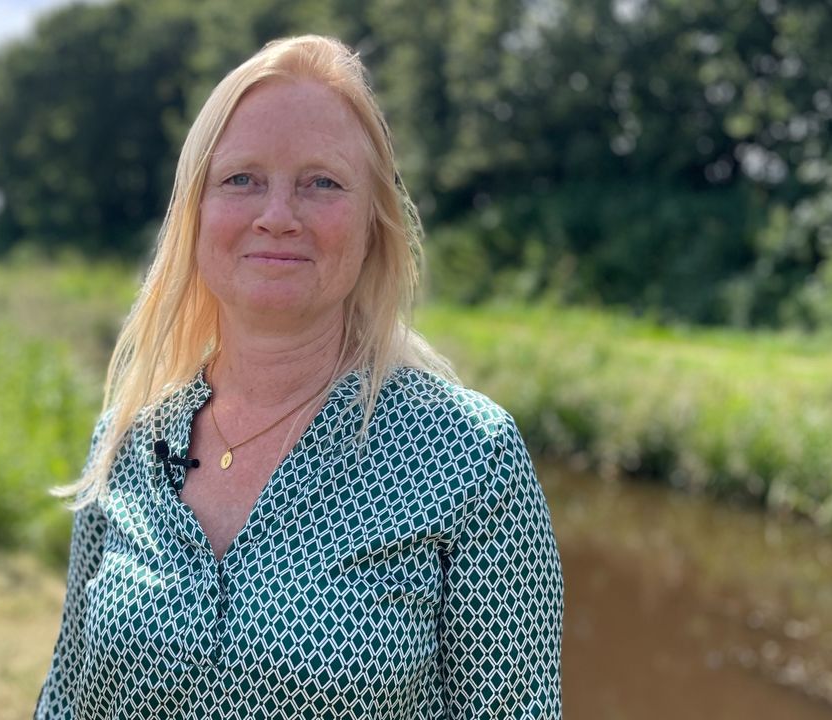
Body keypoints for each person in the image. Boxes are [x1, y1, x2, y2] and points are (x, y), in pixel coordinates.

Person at [35, 35, 563, 719]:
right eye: (241, 179)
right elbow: (66, 700)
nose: (277, 216)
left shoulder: (469, 456)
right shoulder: (128, 440)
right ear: (194, 215)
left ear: (373, 225)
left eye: (321, 183)